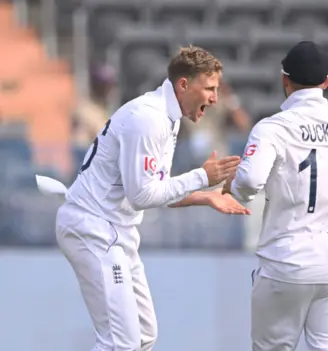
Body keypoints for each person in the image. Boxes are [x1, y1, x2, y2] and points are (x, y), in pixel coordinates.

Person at [55, 46, 250, 351]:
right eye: (210, 88)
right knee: (121, 342)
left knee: (144, 336)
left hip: (116, 231)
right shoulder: (148, 118)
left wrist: (207, 197)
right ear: (184, 85)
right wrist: (202, 176)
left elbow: (157, 191)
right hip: (92, 228)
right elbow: (142, 195)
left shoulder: (167, 118)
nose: (215, 98)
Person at [222, 41, 328, 351]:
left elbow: (248, 183)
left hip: (286, 264)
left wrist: (230, 184)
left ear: (285, 79)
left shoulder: (273, 128)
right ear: (326, 82)